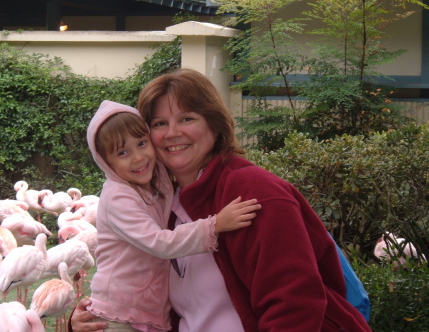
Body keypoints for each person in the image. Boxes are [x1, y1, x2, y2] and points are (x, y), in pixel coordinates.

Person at [71, 69, 372, 332]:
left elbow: (295, 302)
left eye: (186, 118)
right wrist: (95, 318)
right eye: (160, 123)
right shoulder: (167, 208)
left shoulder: (252, 192)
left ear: (214, 125)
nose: (172, 133)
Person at [79, 99, 261, 332]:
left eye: (142, 143)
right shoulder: (118, 198)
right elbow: (159, 241)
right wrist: (214, 226)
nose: (138, 157)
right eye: (122, 152)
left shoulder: (157, 183)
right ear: (105, 162)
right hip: (119, 314)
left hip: (143, 311)